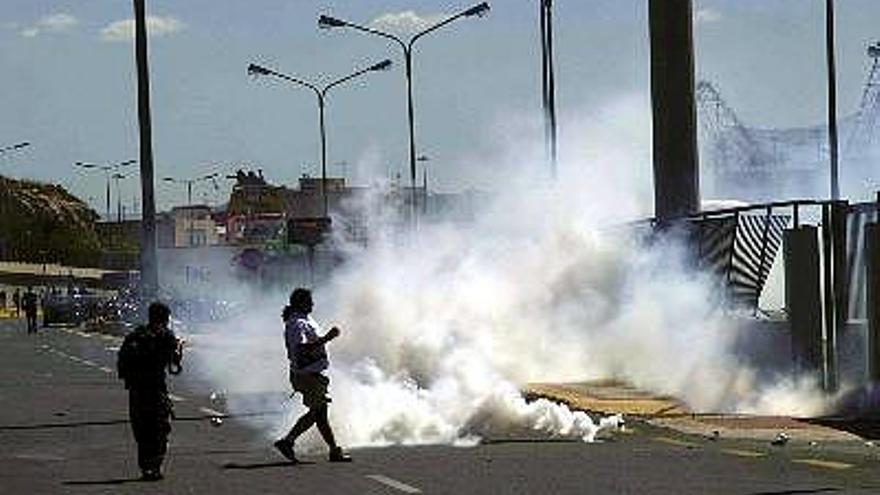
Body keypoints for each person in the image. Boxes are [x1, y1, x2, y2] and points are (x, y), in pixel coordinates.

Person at [273, 288, 351, 464]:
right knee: (318, 412)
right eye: (309, 301)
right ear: (301, 303)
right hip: (307, 375)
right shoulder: (296, 324)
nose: (312, 304)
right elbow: (301, 349)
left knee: (320, 413)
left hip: (311, 374)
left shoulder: (304, 321)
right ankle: (288, 441)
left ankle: (334, 450)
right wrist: (327, 338)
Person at [117, 302, 183, 481]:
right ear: (165, 318)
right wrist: (177, 350)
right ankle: (155, 466)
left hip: (136, 391)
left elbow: (121, 366)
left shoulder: (135, 335)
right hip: (155, 389)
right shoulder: (165, 336)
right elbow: (174, 364)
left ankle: (146, 466)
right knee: (160, 428)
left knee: (142, 429)